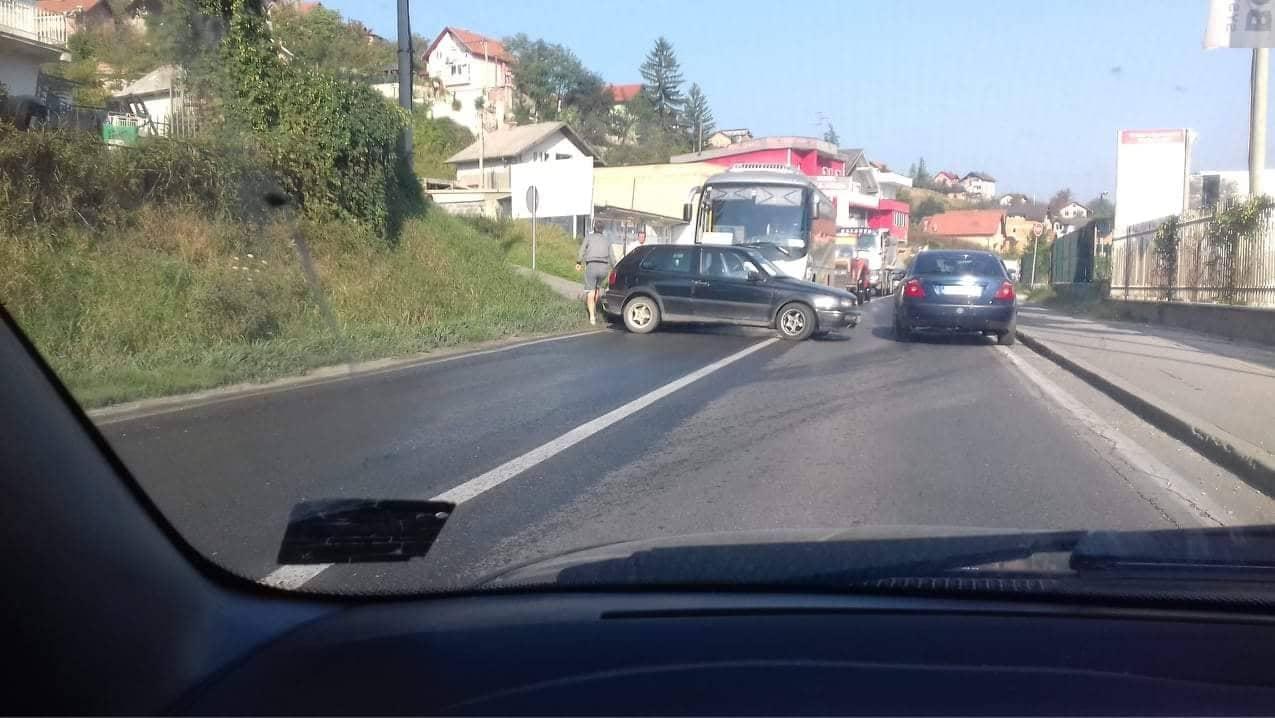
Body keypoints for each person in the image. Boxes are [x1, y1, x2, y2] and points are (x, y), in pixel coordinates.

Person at [576, 220, 612, 325]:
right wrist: (615, 267)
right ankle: (594, 309)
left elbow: (581, 250)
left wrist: (578, 262)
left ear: (594, 228)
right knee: (597, 290)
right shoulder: (607, 240)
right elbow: (612, 256)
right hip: (604, 268)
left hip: (592, 266)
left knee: (590, 292)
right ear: (603, 229)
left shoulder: (589, 237)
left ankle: (592, 317)